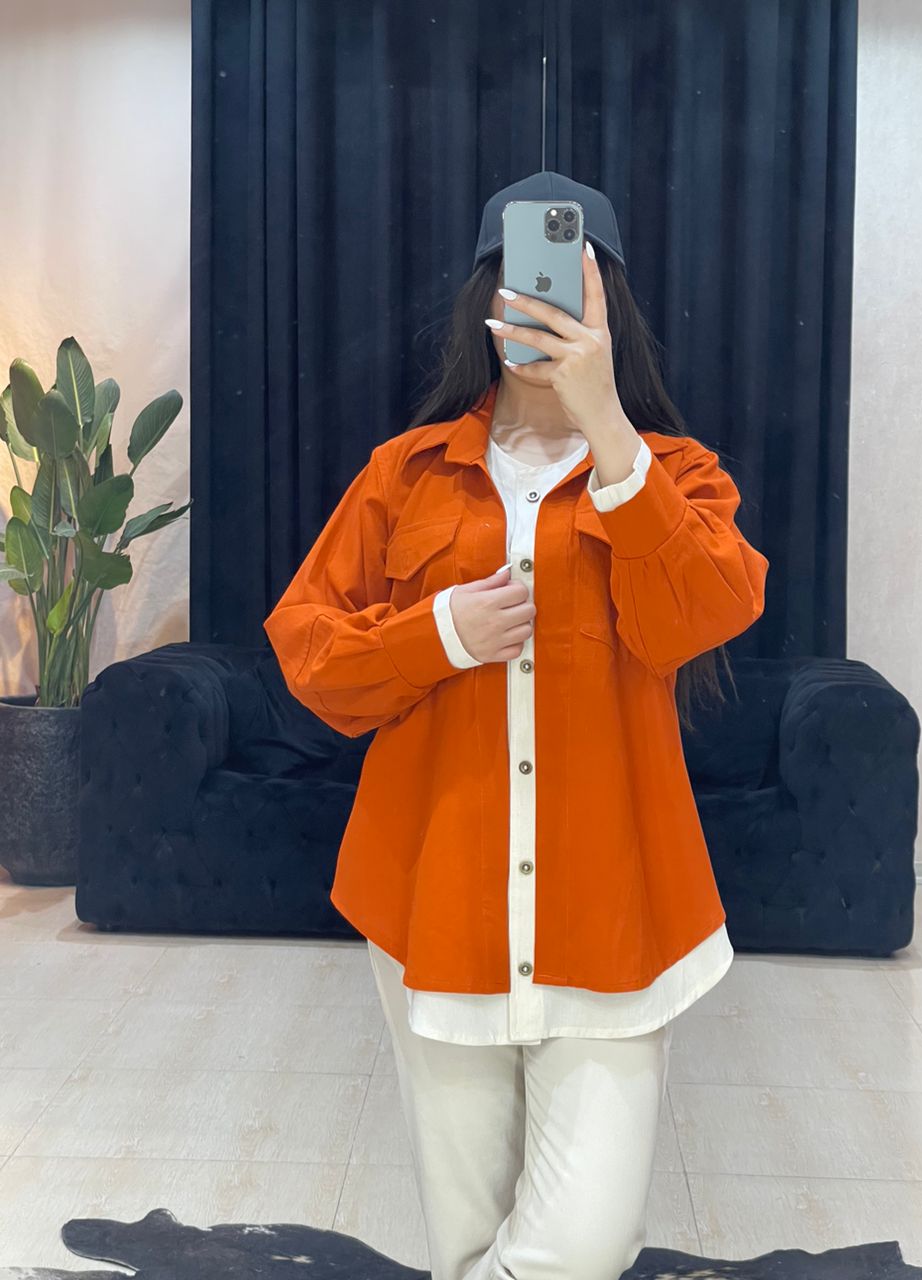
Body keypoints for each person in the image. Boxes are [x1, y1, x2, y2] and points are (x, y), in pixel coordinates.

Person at [263, 171, 769, 1280]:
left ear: (609, 306)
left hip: (615, 909)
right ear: (484, 303)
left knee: (581, 1246)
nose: (539, 308)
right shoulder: (406, 476)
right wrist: (438, 632)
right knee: (466, 1239)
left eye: (569, 287)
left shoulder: (672, 475)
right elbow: (308, 652)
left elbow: (704, 611)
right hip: (435, 904)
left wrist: (608, 427)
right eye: (519, 282)